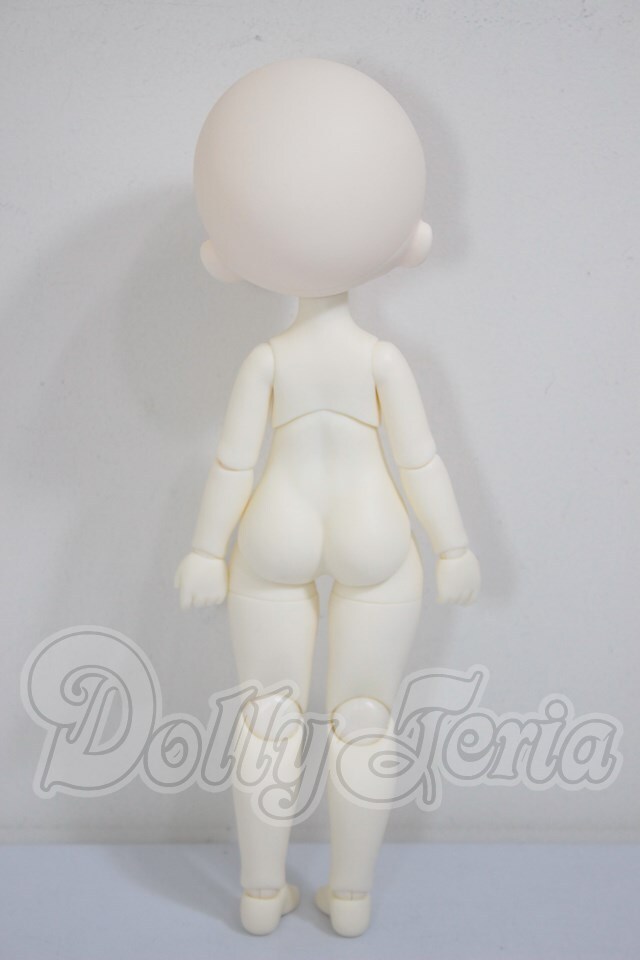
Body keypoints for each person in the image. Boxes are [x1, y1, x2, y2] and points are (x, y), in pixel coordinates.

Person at [175, 57, 480, 937]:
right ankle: (349, 897)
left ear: (222, 257)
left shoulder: (268, 361)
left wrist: (206, 549)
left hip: (275, 524)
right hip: (374, 528)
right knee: (364, 720)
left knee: (266, 717)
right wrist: (452, 546)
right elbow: (420, 461)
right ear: (411, 240)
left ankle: (258, 894)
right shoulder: (380, 360)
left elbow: (234, 464)